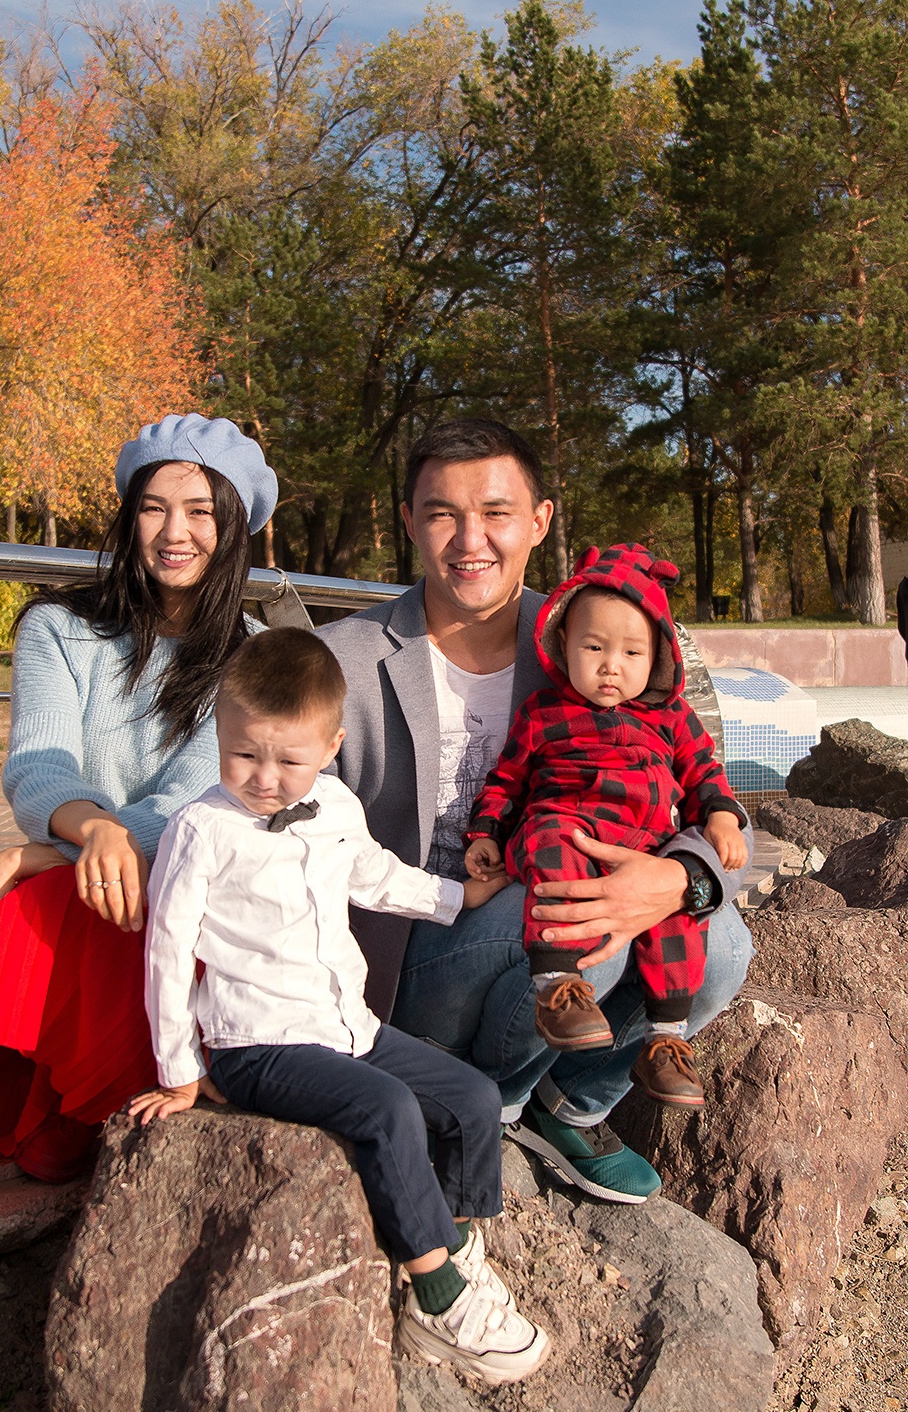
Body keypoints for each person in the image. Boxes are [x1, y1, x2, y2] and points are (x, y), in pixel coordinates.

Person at [0, 413, 278, 1198]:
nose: (175, 532)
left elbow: (198, 802)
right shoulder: (60, 628)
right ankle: (19, 1107)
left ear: (234, 527)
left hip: (191, 898)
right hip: (86, 886)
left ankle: (81, 1105)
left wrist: (33, 854)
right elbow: (40, 768)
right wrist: (91, 831)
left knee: (80, 893)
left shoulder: (252, 654)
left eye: (202, 511)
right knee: (64, 904)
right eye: (154, 507)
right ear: (128, 515)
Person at [316, 417, 754, 1205]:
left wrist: (677, 876)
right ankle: (478, 1100)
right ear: (410, 521)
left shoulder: (596, 630)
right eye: (442, 513)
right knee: (590, 930)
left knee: (721, 942)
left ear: (541, 521)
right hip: (422, 950)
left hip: (558, 914)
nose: (469, 539)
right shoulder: (345, 657)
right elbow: (273, 808)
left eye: (495, 512)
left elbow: (709, 785)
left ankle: (571, 1102)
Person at [129, 628, 549, 1385]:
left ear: (329, 746)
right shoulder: (202, 829)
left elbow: (378, 877)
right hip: (259, 1045)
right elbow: (165, 949)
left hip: (345, 1025)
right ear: (218, 735)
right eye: (243, 755)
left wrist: (459, 896)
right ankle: (438, 1297)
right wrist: (181, 1069)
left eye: (287, 760)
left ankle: (451, 1235)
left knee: (473, 1098)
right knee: (388, 1110)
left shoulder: (334, 804)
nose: (262, 779)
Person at [465, 543, 749, 1112]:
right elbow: (507, 780)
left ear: (659, 659)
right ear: (562, 646)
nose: (610, 665)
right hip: (563, 825)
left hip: (644, 846)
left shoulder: (672, 718)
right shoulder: (545, 712)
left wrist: (720, 816)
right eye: (593, 647)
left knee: (678, 921)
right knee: (554, 856)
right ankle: (557, 988)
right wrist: (486, 833)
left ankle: (664, 1040)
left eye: (631, 652)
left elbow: (704, 773)